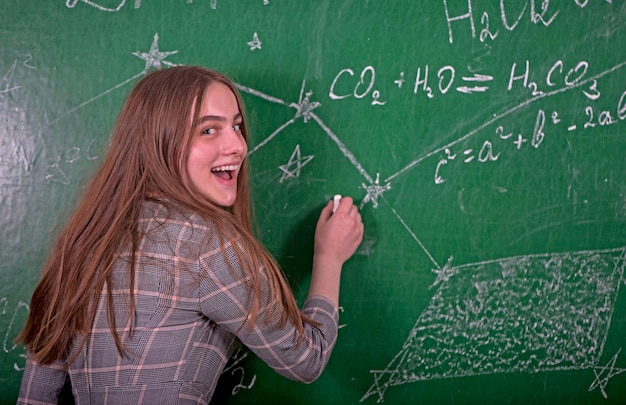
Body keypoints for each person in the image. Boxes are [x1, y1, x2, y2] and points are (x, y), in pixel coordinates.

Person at [16, 66, 364, 404]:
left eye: (237, 127)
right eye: (209, 130)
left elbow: (36, 395)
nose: (239, 146)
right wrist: (329, 258)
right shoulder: (207, 245)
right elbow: (305, 359)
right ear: (159, 142)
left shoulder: (85, 240)